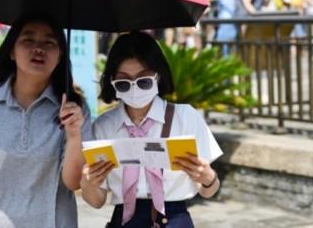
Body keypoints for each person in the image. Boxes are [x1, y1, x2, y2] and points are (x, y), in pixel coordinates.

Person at [0, 13, 92, 228]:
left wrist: (74, 135)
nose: (38, 48)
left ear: (61, 54)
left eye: (49, 42)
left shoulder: (74, 111)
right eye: (28, 40)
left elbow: (73, 183)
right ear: (12, 51)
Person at [80, 31, 222, 228]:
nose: (134, 89)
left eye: (143, 81)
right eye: (123, 83)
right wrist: (88, 184)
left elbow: (209, 190)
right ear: (113, 83)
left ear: (158, 76)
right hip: (123, 221)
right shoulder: (104, 126)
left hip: (174, 219)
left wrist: (208, 178)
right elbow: (97, 201)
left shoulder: (185, 117)